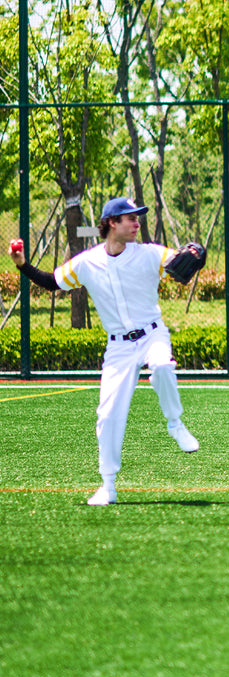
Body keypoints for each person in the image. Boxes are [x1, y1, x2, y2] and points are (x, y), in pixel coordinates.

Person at [8, 196, 200, 506]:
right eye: (130, 218)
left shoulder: (151, 254)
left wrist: (194, 253)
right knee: (108, 416)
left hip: (153, 335)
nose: (137, 223)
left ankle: (175, 424)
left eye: (138, 218)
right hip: (118, 348)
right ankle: (108, 486)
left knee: (163, 366)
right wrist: (23, 266)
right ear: (112, 223)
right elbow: (51, 282)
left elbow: (181, 259)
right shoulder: (86, 262)